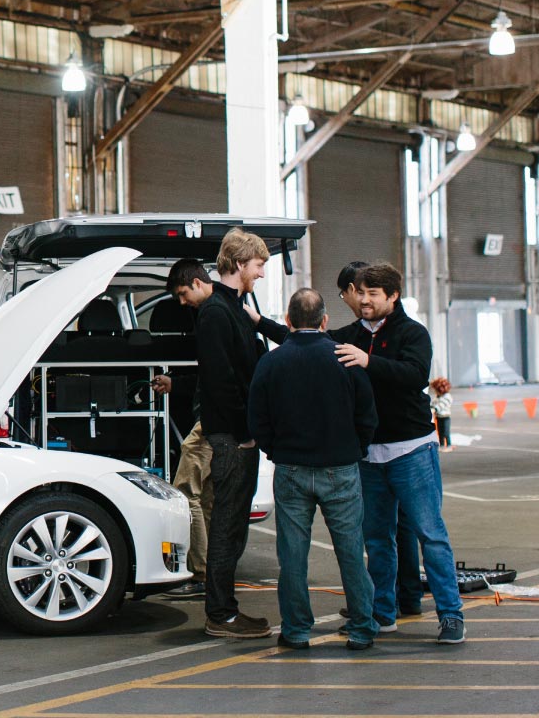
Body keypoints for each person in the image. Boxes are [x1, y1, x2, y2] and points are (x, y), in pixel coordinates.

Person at [333, 262, 465, 645]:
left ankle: (451, 615)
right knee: (376, 539)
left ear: (392, 296)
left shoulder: (413, 333)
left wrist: (367, 360)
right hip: (369, 455)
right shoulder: (353, 334)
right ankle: (381, 614)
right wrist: (258, 320)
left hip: (412, 451)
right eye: (360, 293)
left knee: (431, 534)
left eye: (373, 294)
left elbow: (413, 374)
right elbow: (308, 338)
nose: (364, 300)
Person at [248, 288, 379, 651]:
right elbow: (367, 414)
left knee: (292, 554)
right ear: (324, 321)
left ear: (288, 322)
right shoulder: (344, 358)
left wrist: (275, 451)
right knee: (350, 550)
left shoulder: (272, 362)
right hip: (341, 467)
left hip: (291, 468)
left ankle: (296, 631)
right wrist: (356, 449)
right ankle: (363, 629)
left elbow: (257, 418)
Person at [199, 228, 274, 638]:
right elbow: (222, 381)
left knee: (234, 525)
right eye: (259, 265)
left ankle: (224, 610)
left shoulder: (234, 309)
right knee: (228, 525)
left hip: (238, 435)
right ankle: (221, 614)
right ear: (240, 263)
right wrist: (246, 432)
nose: (261, 273)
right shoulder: (217, 312)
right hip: (232, 437)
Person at [154, 258, 215, 599]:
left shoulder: (213, 315)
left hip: (211, 421)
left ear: (196, 282)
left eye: (181, 294)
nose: (180, 303)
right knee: (205, 498)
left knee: (185, 493)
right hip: (217, 420)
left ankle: (202, 573)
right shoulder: (219, 310)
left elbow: (219, 375)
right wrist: (177, 385)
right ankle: (209, 573)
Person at [430, 377, 453, 452]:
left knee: (446, 432)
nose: (435, 392)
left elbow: (441, 404)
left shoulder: (447, 397)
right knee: (440, 432)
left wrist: (434, 409)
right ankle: (442, 445)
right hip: (439, 417)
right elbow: (433, 403)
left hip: (445, 417)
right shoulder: (438, 396)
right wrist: (430, 406)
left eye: (436, 390)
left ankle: (449, 445)